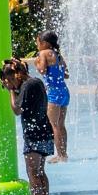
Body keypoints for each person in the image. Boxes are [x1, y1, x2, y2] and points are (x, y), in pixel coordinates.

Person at [0, 58, 53, 195]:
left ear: (16, 76)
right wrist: (14, 88)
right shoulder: (34, 82)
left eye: (9, 81)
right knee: (40, 172)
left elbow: (17, 109)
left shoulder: (28, 85)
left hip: (34, 135)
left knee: (33, 174)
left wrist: (10, 91)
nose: (9, 84)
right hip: (44, 131)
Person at [35, 30, 71, 161]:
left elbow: (43, 70)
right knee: (61, 124)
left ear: (44, 43)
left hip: (53, 93)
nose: (37, 44)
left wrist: (37, 64)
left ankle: (60, 155)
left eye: (37, 42)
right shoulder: (58, 55)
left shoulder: (43, 53)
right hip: (64, 91)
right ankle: (64, 154)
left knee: (53, 125)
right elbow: (66, 74)